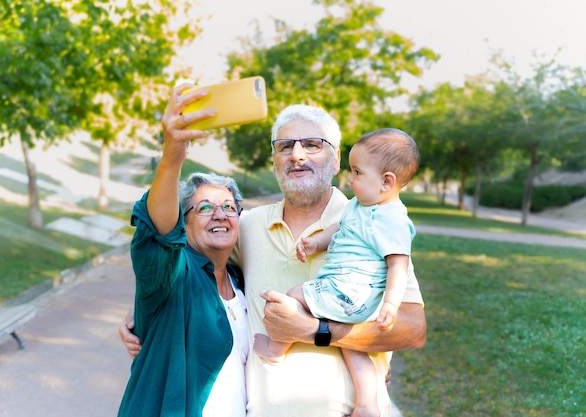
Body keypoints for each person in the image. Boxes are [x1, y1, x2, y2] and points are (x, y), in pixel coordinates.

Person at [120, 102, 426, 417]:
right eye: (285, 146)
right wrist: (148, 311)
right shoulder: (248, 226)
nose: (297, 155)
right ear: (275, 162)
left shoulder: (371, 223)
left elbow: (413, 329)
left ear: (336, 160)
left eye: (312, 144)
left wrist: (313, 330)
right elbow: (182, 257)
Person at [253, 128, 421, 417]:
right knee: (354, 349)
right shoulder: (359, 206)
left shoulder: (392, 219)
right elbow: (339, 229)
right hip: (353, 298)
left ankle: (275, 347)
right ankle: (366, 405)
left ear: (386, 181)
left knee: (295, 294)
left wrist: (391, 305)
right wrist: (317, 242)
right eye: (284, 146)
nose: (351, 178)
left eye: (357, 172)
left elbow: (398, 265)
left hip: (348, 290)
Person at [117, 83, 249, 417]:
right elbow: (160, 231)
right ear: (184, 223)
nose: (219, 213)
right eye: (204, 208)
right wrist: (173, 153)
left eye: (228, 207)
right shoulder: (173, 275)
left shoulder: (242, 283)